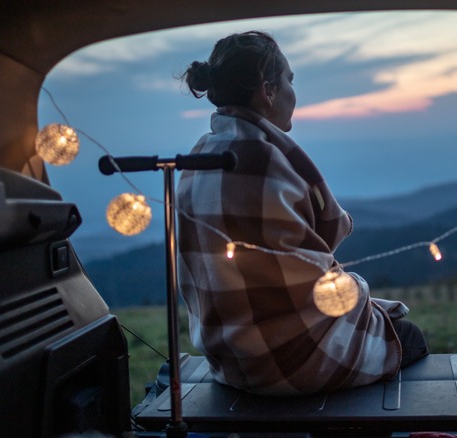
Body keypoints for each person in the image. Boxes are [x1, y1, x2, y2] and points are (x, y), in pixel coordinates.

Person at [176, 30, 428, 396]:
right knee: (409, 338)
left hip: (228, 360)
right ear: (267, 91)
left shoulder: (196, 158)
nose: (294, 93)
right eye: (289, 80)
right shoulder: (264, 157)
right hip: (287, 358)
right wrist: (357, 291)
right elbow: (325, 237)